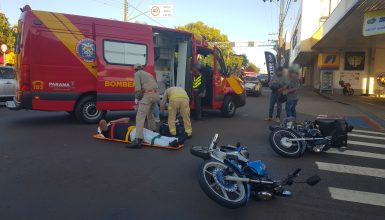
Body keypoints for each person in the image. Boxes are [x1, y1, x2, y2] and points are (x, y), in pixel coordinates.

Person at [127, 64, 160, 148]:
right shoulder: (148, 74)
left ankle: (138, 140)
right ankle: (154, 131)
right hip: (156, 95)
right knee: (149, 114)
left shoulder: (137, 74)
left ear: (135, 69)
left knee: (140, 117)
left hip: (148, 95)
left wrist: (137, 99)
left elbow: (138, 89)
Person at [98, 118, 182, 148]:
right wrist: (109, 123)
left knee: (155, 135)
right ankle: (168, 144)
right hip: (132, 135)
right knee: (151, 139)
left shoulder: (113, 124)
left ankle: (175, 139)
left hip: (136, 128)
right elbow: (102, 121)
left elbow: (127, 119)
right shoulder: (106, 132)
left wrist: (115, 121)